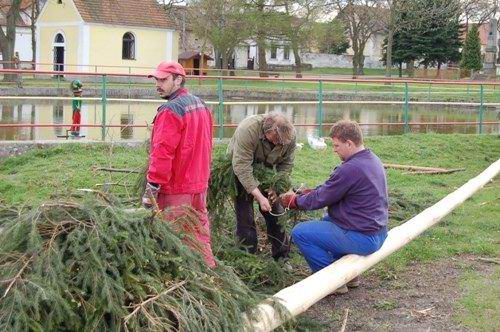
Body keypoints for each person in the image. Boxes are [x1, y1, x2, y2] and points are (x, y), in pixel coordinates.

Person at [280, 120, 388, 293]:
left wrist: (294, 201)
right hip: (378, 232)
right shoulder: (371, 159)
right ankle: (351, 275)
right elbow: (332, 190)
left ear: (349, 143)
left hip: (364, 237)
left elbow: (321, 198)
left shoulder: (351, 168)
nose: (334, 149)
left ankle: (332, 282)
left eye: (337, 145)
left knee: (301, 232)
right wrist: (307, 192)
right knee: (327, 221)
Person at [142, 61, 216, 267]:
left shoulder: (170, 110)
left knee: (172, 237)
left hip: (176, 186)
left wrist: (153, 186)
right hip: (199, 184)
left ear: (178, 79)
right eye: (156, 79)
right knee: (199, 235)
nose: (158, 84)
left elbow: (162, 152)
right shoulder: (201, 105)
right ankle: (209, 275)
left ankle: (179, 280)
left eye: (163, 79)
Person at [227, 112, 296, 260]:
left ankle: (282, 256)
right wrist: (259, 196)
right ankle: (248, 256)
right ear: (267, 131)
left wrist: (275, 187)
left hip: (268, 171)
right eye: (276, 139)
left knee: (276, 211)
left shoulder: (288, 136)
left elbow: (287, 165)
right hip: (242, 169)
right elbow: (242, 167)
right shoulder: (248, 129)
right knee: (245, 215)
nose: (279, 144)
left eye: (282, 143)